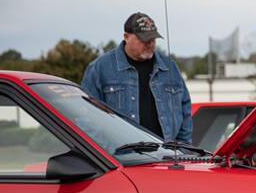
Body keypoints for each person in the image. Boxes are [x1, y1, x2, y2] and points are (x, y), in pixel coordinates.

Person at [82, 12, 192, 143]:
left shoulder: (169, 67)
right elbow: (87, 116)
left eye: (152, 39)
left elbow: (185, 109)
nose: (149, 44)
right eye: (143, 39)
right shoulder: (100, 68)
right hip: (121, 158)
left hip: (167, 157)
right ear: (126, 37)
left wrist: (183, 149)